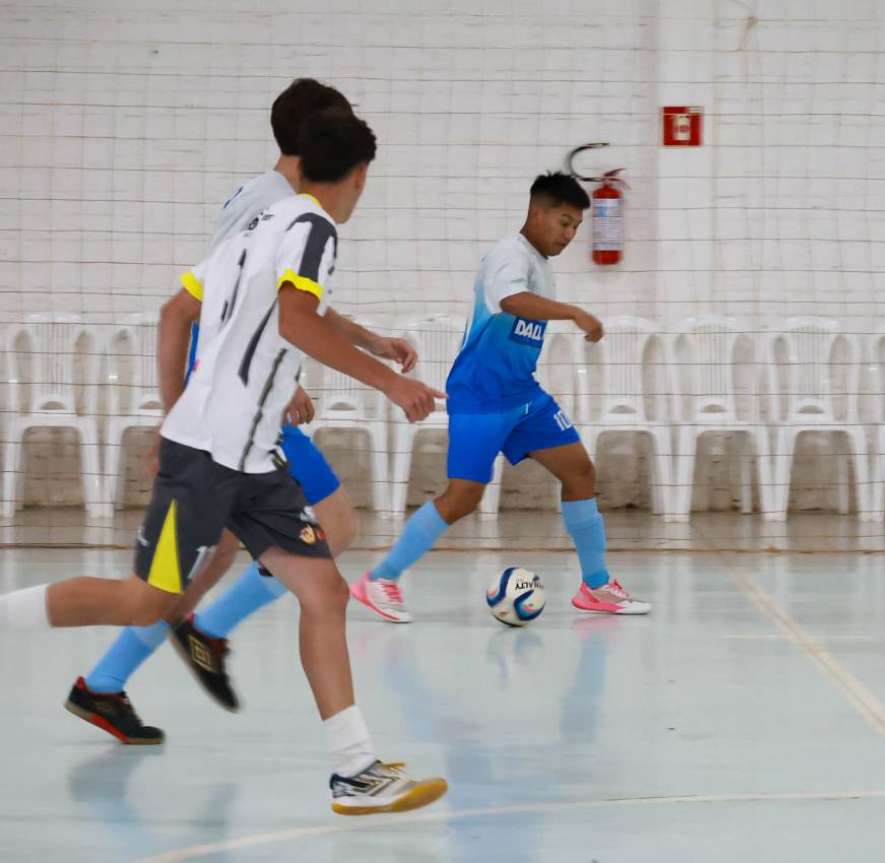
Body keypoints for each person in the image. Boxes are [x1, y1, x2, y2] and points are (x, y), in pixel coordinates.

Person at [0, 108, 448, 814]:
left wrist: (369, 341)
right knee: (150, 598)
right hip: (209, 455)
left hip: (252, 456)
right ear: (359, 176)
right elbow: (296, 319)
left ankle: (354, 768)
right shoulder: (317, 230)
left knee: (325, 590)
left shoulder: (260, 227)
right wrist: (391, 382)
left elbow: (197, 309)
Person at [65, 78, 416, 744]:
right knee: (331, 524)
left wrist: (367, 337)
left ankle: (108, 681)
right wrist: (273, 389)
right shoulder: (273, 203)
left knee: (218, 550)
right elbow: (215, 306)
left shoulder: (277, 199)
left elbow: (285, 299)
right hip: (237, 410)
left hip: (236, 405)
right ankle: (196, 636)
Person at [350, 172, 652, 623]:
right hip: (481, 397)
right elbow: (511, 301)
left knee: (581, 471)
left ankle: (595, 585)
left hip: (524, 394)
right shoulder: (508, 256)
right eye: (563, 223)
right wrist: (573, 312)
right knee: (462, 497)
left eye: (575, 228)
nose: (569, 236)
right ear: (537, 213)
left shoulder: (541, 267)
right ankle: (380, 578)